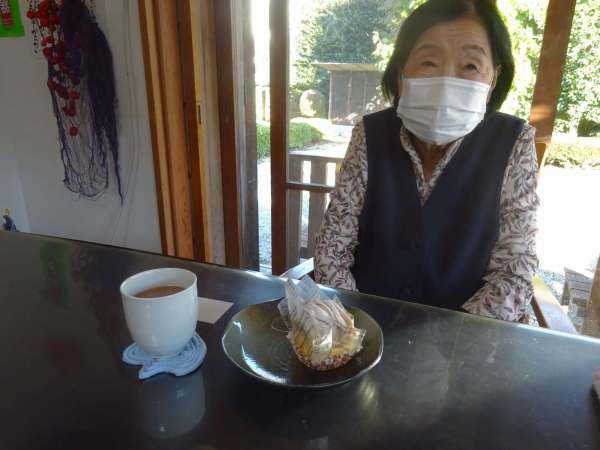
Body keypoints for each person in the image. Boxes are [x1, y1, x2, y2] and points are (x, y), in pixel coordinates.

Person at [314, 0, 539, 322]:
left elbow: (514, 269)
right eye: (429, 62)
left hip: (463, 336)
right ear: (401, 72)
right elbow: (332, 246)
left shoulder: (514, 142)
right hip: (366, 327)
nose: (447, 80)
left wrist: (451, 342)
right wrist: (353, 329)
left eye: (470, 66)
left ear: (493, 79)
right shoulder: (369, 133)